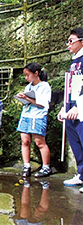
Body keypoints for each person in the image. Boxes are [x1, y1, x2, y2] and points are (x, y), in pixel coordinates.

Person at [16, 63, 52, 178]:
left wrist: (27, 98)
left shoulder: (44, 86)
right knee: (25, 141)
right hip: (26, 115)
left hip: (38, 116)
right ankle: (26, 165)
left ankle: (46, 166)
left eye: (28, 75)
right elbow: (27, 102)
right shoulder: (28, 87)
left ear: (36, 73)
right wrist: (22, 99)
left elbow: (42, 104)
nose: (26, 78)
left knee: (39, 142)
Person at [58, 27, 83, 190]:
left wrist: (77, 106)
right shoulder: (75, 61)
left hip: (80, 108)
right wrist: (64, 107)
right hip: (71, 107)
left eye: (71, 41)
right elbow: (71, 86)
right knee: (76, 144)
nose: (68, 44)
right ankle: (81, 174)